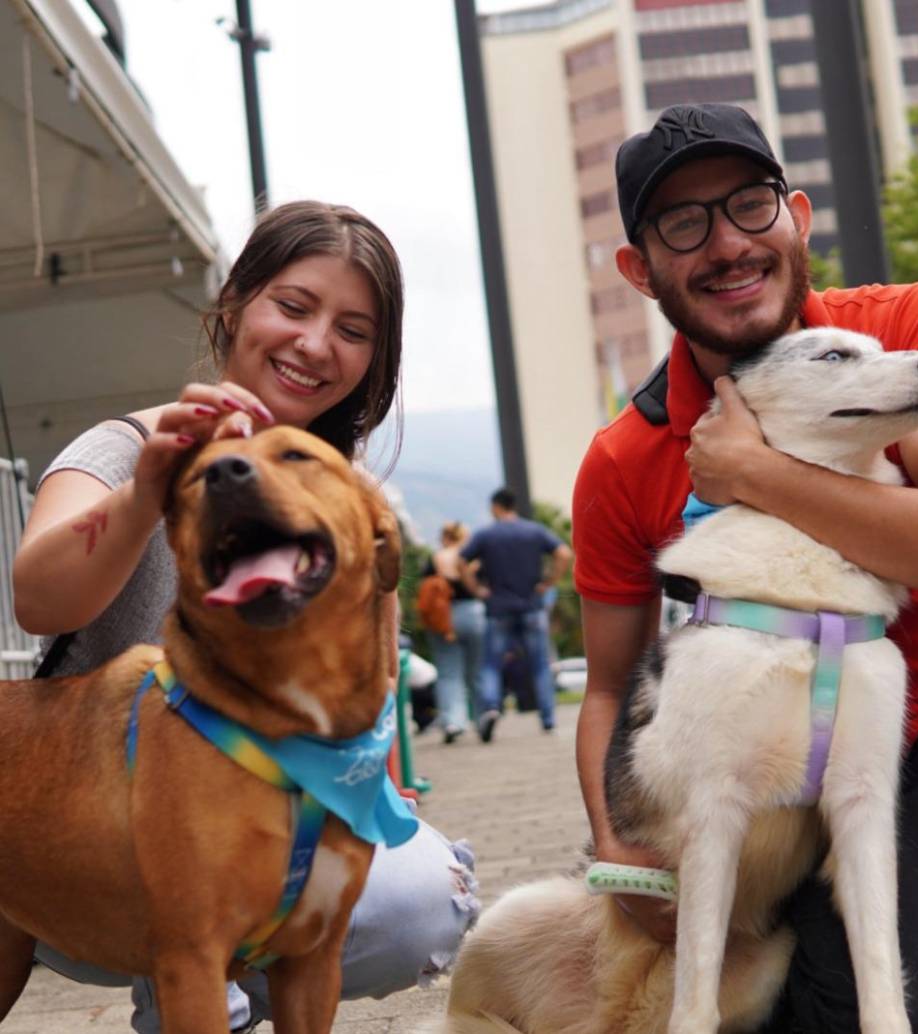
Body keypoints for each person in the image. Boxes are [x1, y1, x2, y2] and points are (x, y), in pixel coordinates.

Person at [571, 102, 918, 1034]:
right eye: (682, 223)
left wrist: (755, 475)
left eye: (749, 205)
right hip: (856, 790)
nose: (727, 245)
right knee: (906, 1013)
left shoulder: (905, 327)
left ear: (798, 216)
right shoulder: (623, 460)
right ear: (639, 267)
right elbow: (612, 686)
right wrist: (623, 852)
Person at [12, 201, 479, 1033]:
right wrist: (148, 491)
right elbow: (37, 598)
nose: (313, 343)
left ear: (374, 360)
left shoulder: (348, 498)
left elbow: (369, 692)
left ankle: (211, 974)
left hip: (288, 825)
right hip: (92, 829)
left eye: (353, 328)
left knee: (424, 899)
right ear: (233, 307)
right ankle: (187, 983)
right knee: (195, 885)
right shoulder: (130, 450)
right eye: (293, 307)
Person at [460, 488, 572, 741]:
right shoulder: (534, 531)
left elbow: (461, 561)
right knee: (540, 664)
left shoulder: (486, 534)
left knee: (491, 664)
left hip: (497, 608)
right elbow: (564, 553)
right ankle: (548, 719)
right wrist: (549, 582)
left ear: (496, 507)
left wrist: (476, 589)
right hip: (532, 606)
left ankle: (490, 708)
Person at [421, 521, 485, 744]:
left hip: (444, 616)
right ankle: (483, 717)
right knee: (477, 670)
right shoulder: (472, 557)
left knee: (449, 672)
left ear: (444, 537)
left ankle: (453, 722)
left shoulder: (435, 557)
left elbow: (426, 587)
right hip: (474, 613)